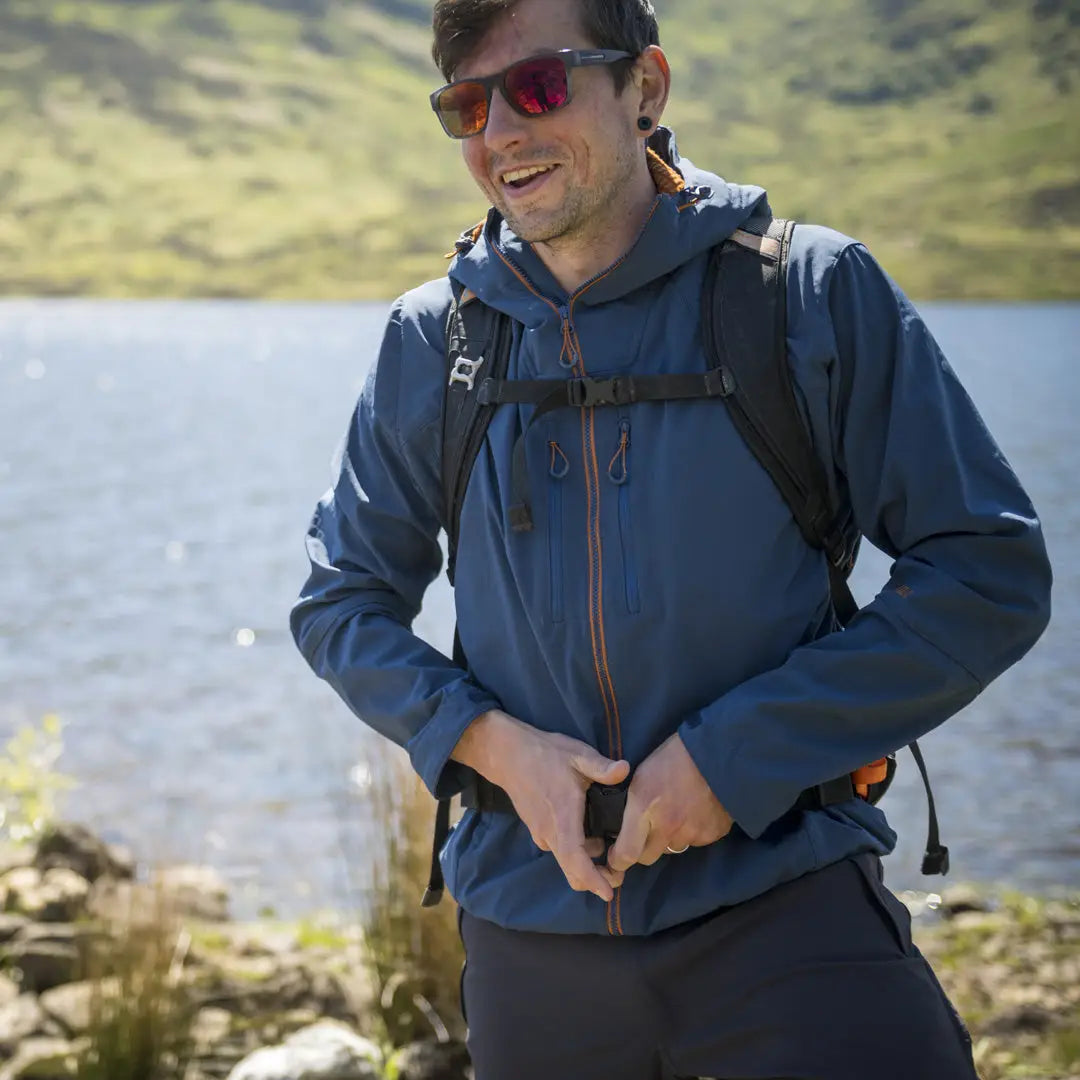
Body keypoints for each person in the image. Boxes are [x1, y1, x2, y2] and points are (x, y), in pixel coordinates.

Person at [290, 0, 1053, 1075]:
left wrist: (730, 757)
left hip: (790, 920)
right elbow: (341, 604)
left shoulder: (810, 294)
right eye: (467, 105)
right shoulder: (434, 341)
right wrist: (494, 748)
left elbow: (989, 573)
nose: (500, 130)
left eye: (541, 86)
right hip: (528, 946)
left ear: (644, 87)